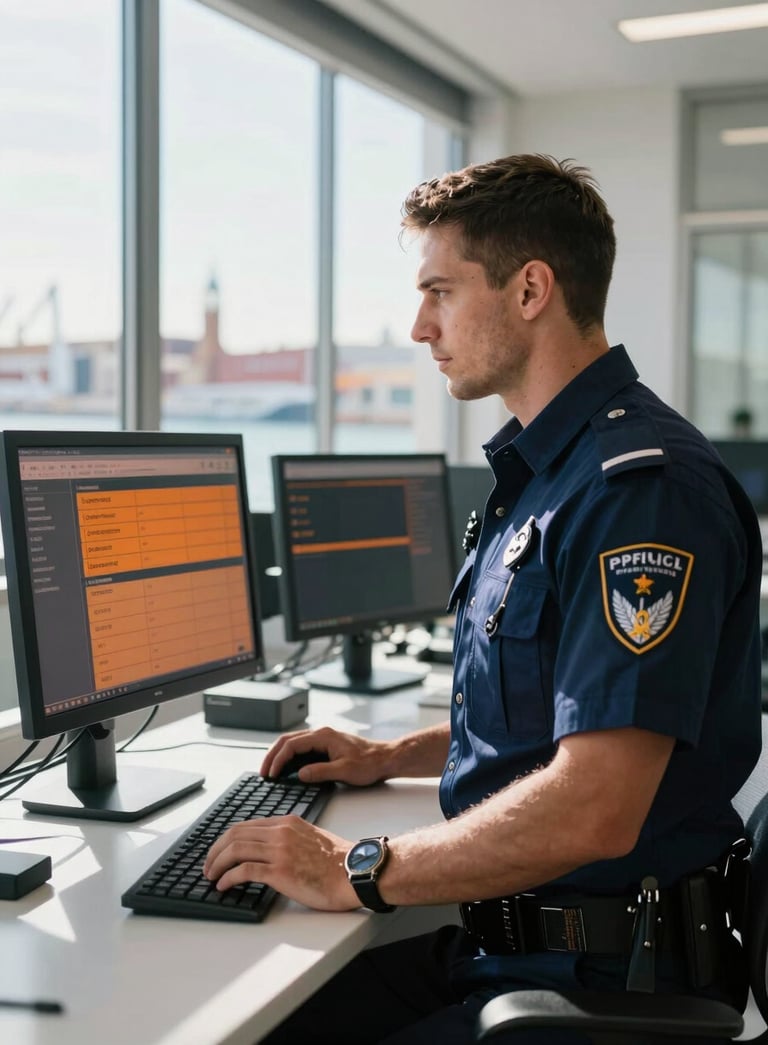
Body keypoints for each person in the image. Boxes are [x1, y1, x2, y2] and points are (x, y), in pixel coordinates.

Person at [203, 154, 763, 1044]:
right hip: (506, 946)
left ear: (531, 287)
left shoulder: (637, 492)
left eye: (440, 290)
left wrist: (356, 865)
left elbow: (597, 803)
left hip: (600, 984)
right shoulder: (551, 473)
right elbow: (545, 713)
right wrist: (390, 754)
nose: (420, 325)